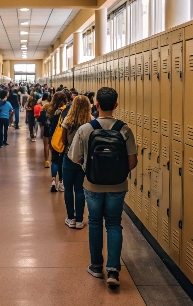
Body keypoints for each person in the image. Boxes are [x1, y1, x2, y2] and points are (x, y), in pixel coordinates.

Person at [67, 87, 138, 287]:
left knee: (95, 222)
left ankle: (96, 267)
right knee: (114, 224)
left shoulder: (86, 129)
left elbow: (74, 158)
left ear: (96, 105)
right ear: (116, 105)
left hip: (92, 185)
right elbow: (132, 161)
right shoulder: (124, 129)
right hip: (117, 186)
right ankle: (114, 271)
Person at [61, 95, 93, 230]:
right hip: (84, 160)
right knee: (80, 189)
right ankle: (80, 220)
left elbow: (63, 141)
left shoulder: (68, 121)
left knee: (68, 189)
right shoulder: (91, 122)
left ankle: (71, 218)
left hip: (69, 157)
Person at [48, 92, 68, 192]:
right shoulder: (67, 111)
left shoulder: (53, 111)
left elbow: (50, 125)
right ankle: (61, 182)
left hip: (54, 138)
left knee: (54, 160)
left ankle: (53, 181)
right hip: (64, 138)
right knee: (62, 160)